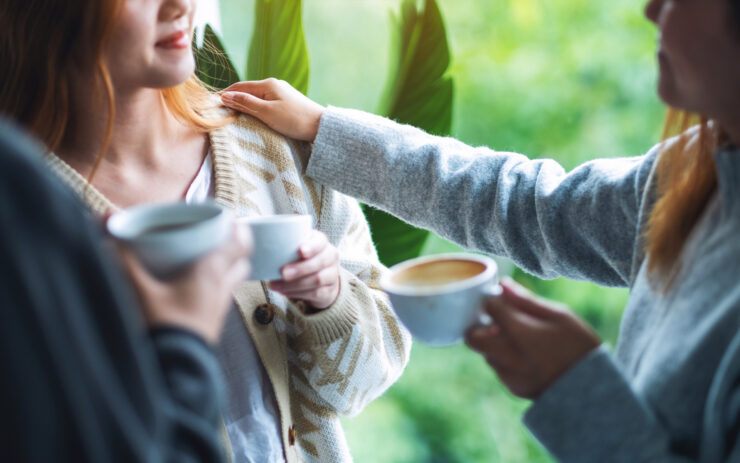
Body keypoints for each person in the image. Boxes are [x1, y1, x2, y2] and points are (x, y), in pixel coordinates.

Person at [217, 0, 740, 461]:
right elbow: (525, 206)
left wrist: (578, 388)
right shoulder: (696, 177)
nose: (651, 10)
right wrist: (325, 130)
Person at [0, 1, 411, 462]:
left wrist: (330, 299)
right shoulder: (23, 222)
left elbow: (373, 374)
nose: (180, 5)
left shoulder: (275, 149)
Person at [0, 117, 251, 462]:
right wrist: (182, 340)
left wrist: (329, 301)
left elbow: (348, 390)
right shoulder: (21, 194)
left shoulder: (260, 142)